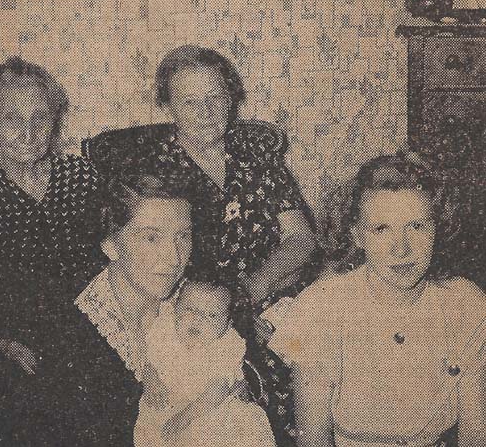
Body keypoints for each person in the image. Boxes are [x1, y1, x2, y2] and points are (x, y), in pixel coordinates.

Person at [83, 44, 318, 444]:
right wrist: (229, 312)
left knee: (325, 360)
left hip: (270, 294)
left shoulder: (255, 155)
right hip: (200, 312)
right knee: (242, 396)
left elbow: (301, 239)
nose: (206, 112)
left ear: (231, 98)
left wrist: (250, 291)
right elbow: (156, 264)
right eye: (191, 102)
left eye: (216, 98)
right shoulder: (153, 168)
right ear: (168, 107)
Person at [269, 153, 486, 447]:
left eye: (417, 226)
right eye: (382, 229)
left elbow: (476, 434)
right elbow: (314, 440)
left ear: (437, 227)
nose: (402, 249)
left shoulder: (465, 304)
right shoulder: (322, 308)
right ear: (357, 235)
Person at [0, 57, 102, 445]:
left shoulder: (80, 176)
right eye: (12, 118)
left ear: (55, 120)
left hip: (82, 336)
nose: (28, 132)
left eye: (40, 117)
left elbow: (119, 259)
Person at [75, 173, 194, 446]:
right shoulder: (78, 334)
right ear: (111, 245)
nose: (174, 257)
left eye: (183, 236)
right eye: (152, 238)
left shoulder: (194, 301)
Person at [134, 279, 276, 447]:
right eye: (190, 309)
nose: (198, 319)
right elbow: (148, 360)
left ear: (227, 324)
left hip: (208, 409)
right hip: (165, 402)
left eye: (211, 315)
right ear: (175, 308)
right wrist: (151, 380)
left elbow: (218, 390)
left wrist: (185, 417)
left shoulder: (226, 345)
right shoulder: (165, 330)